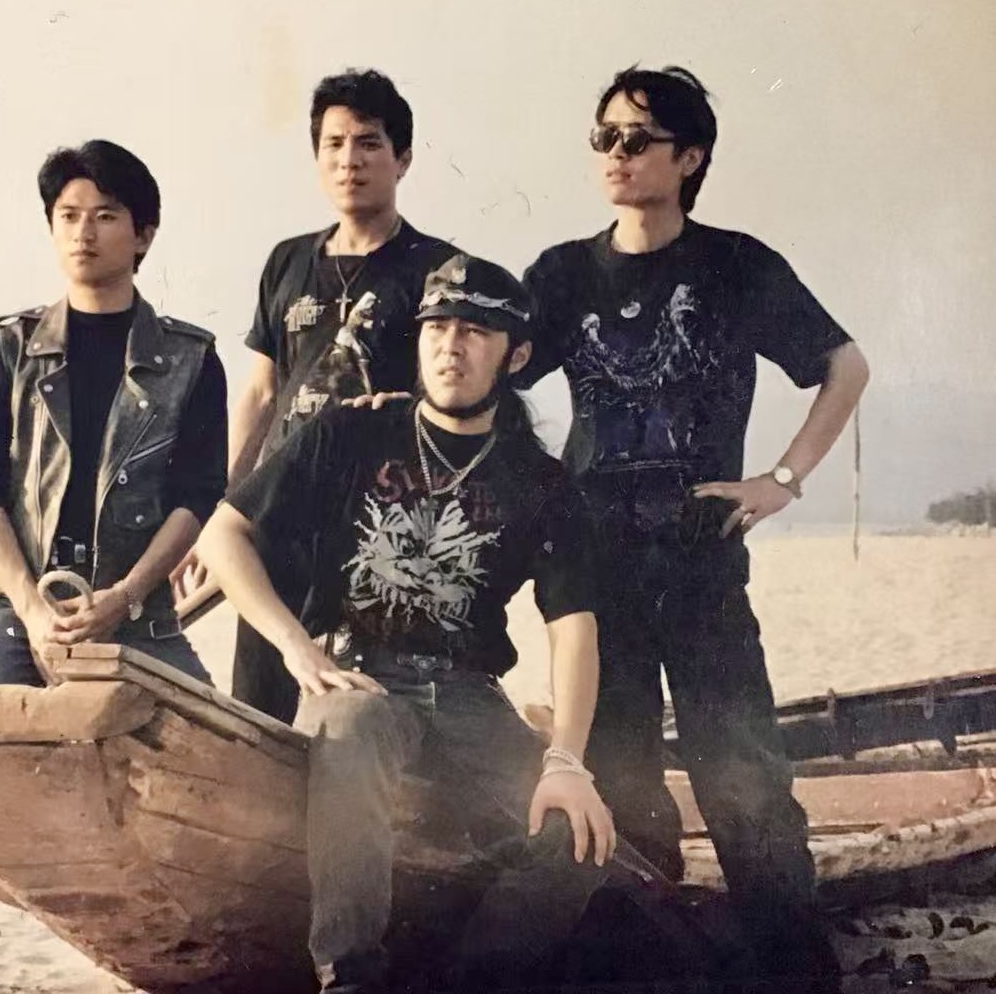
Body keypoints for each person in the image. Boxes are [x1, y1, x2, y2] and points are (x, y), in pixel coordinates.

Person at [517, 65, 870, 988]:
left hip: (700, 561)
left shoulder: (735, 265)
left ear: (690, 158)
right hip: (595, 573)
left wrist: (781, 479)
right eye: (604, 138)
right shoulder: (561, 275)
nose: (616, 155)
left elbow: (845, 365)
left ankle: (798, 978)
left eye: (637, 139)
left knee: (744, 784)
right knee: (620, 784)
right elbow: (485, 375)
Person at [197, 254, 617, 994]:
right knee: (349, 730)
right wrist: (295, 647)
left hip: (468, 692)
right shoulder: (348, 434)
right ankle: (351, 978)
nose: (451, 347)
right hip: (358, 673)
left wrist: (566, 762)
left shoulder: (539, 480)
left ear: (516, 356)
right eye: (437, 328)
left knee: (578, 838)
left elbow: (573, 627)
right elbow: (223, 535)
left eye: (475, 332)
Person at [174, 68, 458, 725]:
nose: (349, 160)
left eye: (368, 143)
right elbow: (261, 393)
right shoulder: (287, 261)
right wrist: (220, 507)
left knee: (359, 706)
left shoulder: (438, 268)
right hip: (276, 515)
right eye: (333, 144)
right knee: (261, 706)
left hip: (377, 523)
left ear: (402, 158)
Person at [0, 139, 226, 687]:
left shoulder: (191, 361)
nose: (83, 232)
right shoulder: (8, 351)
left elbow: (198, 493)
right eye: (68, 216)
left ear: (143, 235)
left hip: (134, 611)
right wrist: (30, 608)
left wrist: (125, 595)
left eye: (105, 216)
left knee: (206, 730)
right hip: (13, 604)